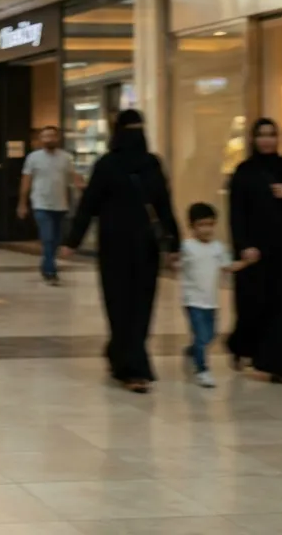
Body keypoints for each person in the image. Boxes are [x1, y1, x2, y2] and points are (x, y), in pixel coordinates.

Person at [59, 110, 178, 393]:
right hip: (119, 247)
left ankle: (125, 357)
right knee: (122, 305)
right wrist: (72, 241)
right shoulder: (115, 165)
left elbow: (163, 205)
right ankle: (131, 367)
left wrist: (174, 243)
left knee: (138, 305)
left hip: (137, 246)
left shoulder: (143, 164)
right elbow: (89, 205)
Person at [227, 118, 282, 385]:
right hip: (254, 252)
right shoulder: (244, 172)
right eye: (261, 135)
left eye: (271, 135)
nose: (266, 140)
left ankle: (281, 367)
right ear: (253, 139)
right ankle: (243, 347)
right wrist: (243, 245)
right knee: (253, 305)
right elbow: (236, 214)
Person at [180, 202, 251, 388]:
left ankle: (192, 350)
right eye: (201, 225)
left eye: (210, 224)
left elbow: (228, 267)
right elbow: (176, 264)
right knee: (201, 336)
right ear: (192, 226)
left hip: (210, 301)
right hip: (192, 300)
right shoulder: (187, 247)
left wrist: (245, 262)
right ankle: (202, 370)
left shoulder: (218, 248)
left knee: (210, 335)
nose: (206, 229)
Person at [17, 126, 80, 285]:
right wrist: (22, 203)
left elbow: (72, 178)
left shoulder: (66, 158)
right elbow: (26, 181)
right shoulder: (33, 158)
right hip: (41, 203)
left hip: (60, 204)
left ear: (57, 138)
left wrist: (80, 189)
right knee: (48, 237)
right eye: (45, 136)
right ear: (40, 139)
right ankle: (51, 271)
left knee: (56, 239)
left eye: (52, 136)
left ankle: (46, 265)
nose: (49, 139)